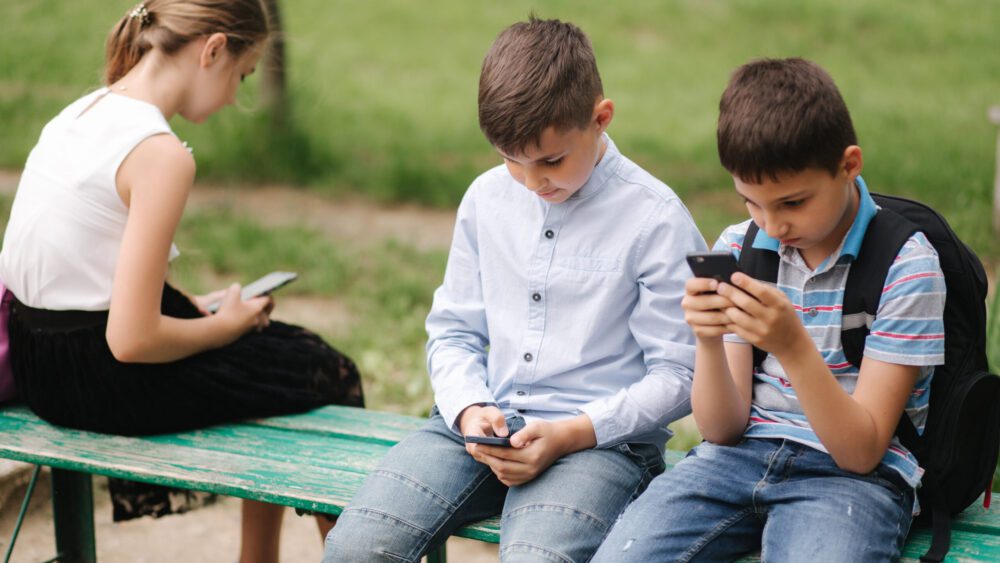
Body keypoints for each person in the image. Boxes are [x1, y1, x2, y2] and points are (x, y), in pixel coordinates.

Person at [323, 17, 705, 563]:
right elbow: (453, 329)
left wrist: (573, 433)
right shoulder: (487, 198)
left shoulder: (654, 218)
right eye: (512, 160)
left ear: (601, 119)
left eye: (550, 161)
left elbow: (681, 373)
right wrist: (469, 407)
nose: (532, 182)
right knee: (358, 550)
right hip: (478, 432)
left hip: (599, 447)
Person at [0, 2, 364, 562]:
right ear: (212, 49)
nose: (234, 98)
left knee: (271, 357)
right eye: (241, 76)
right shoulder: (160, 153)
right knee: (327, 370)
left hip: (37, 358)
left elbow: (84, 274)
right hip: (96, 379)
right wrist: (222, 328)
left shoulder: (80, 113)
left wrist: (196, 308)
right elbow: (132, 340)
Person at [593, 57, 947, 562]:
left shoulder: (906, 265)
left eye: (793, 203)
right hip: (734, 458)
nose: (772, 224)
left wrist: (793, 346)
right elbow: (721, 429)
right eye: (751, 203)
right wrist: (709, 339)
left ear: (849, 165)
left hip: (850, 481)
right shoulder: (742, 248)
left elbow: (861, 452)